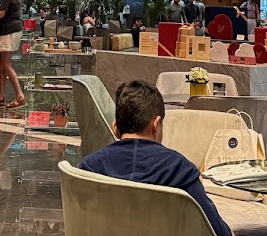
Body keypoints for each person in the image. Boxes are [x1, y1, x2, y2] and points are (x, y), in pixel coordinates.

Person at [79, 80, 231, 236]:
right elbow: (218, 231)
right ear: (156, 125)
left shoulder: (88, 169)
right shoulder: (180, 171)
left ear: (116, 128)